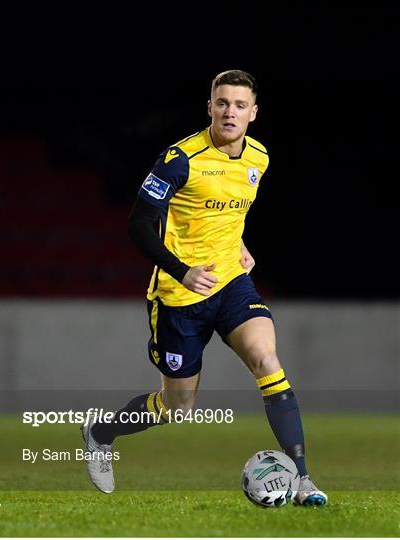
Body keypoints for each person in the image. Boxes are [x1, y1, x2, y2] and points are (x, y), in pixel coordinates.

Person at [81, 69, 327, 506]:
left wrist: (241, 245)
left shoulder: (259, 158)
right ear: (209, 107)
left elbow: (227, 215)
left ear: (253, 112)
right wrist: (181, 270)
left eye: (239, 105)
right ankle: (100, 433)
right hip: (180, 297)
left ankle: (304, 480)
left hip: (231, 284)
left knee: (267, 360)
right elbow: (138, 225)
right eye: (222, 103)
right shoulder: (180, 159)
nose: (229, 112)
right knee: (178, 407)